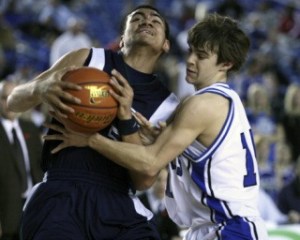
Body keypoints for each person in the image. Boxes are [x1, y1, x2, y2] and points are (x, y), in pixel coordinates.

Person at [44, 13, 269, 239]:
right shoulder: (219, 100)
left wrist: (91, 139)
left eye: (201, 56)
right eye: (190, 51)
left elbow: (149, 163)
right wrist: (159, 141)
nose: (190, 60)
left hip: (229, 227)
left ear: (226, 64)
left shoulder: (202, 104)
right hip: (213, 226)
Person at [7, 5, 178, 240]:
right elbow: (13, 102)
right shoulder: (88, 58)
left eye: (155, 20)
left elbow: (143, 180)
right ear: (121, 39)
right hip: (62, 190)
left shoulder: (168, 105)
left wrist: (123, 118)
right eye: (137, 18)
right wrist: (39, 88)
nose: (146, 21)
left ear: (166, 44)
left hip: (118, 201)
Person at [0, 80, 43, 240]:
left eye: (13, 97)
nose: (9, 102)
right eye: (4, 98)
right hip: (6, 217)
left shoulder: (30, 128)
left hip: (34, 209)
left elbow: (42, 165)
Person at [139, 168, 181, 240]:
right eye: (158, 180)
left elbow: (174, 233)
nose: (162, 185)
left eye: (166, 181)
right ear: (151, 181)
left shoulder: (171, 203)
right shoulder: (140, 202)